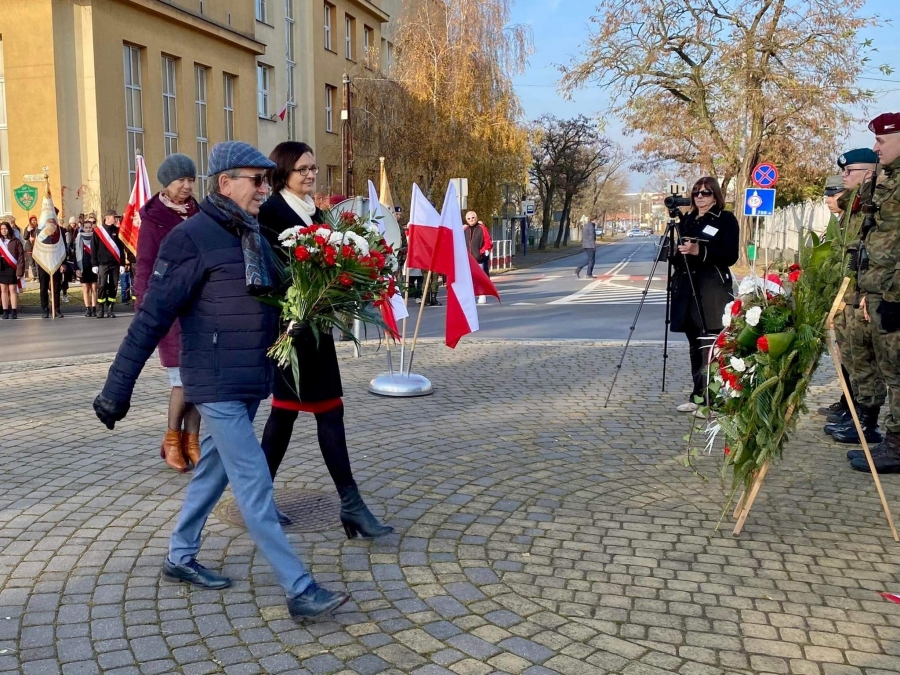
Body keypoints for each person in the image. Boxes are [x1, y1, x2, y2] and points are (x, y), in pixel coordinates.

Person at [93, 140, 349, 621]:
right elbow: (150, 316)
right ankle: (299, 588)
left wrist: (309, 304)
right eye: (257, 180)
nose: (264, 189)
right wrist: (116, 389)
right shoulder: (189, 239)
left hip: (250, 376)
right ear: (226, 182)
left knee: (213, 468)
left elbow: (274, 297)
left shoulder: (253, 234)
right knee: (253, 477)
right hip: (212, 381)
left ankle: (179, 556)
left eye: (267, 180)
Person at [257, 141, 393, 539]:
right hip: (291, 328)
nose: (311, 174)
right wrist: (292, 312)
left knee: (296, 414)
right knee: (309, 412)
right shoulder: (271, 214)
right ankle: (349, 505)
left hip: (315, 329)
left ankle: (265, 499)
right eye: (302, 169)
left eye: (313, 168)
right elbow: (270, 273)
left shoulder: (315, 213)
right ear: (283, 172)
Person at [133, 153, 202, 473]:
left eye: (190, 180)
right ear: (166, 183)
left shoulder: (199, 212)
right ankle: (173, 439)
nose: (186, 186)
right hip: (170, 307)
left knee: (200, 380)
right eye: (180, 180)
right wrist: (144, 305)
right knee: (183, 380)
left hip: (201, 306)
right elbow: (145, 263)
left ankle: (192, 441)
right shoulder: (154, 218)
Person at [819, 151, 887, 446]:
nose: (844, 177)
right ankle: (856, 415)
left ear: (869, 173)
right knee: (852, 357)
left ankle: (867, 423)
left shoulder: (879, 205)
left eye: (849, 172)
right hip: (849, 295)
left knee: (865, 361)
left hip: (864, 296)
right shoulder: (855, 208)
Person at [851, 113, 900, 472]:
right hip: (882, 290)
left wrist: (894, 296)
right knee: (890, 368)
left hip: (895, 294)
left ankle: (897, 446)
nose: (875, 147)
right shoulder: (890, 179)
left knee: (897, 372)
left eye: (882, 140)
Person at [670, 177, 739, 415]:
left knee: (710, 345)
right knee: (694, 344)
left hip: (712, 289)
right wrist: (675, 252)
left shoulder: (725, 219)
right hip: (688, 288)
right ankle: (697, 396)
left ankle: (713, 400)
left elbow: (730, 254)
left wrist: (700, 250)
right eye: (696, 192)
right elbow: (681, 256)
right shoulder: (688, 219)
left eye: (706, 193)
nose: (700, 196)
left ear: (715, 196)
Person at [92, 210, 123, 318]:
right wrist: (94, 264)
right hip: (102, 263)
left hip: (115, 263)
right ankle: (101, 308)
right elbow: (94, 249)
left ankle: (110, 308)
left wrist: (122, 264)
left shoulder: (117, 230)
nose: (116, 219)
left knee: (114, 286)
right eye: (114, 217)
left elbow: (121, 248)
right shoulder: (98, 231)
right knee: (102, 285)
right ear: (108, 217)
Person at [464, 211, 492, 305]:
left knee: (480, 278)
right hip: (467, 259)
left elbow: (488, 242)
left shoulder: (482, 228)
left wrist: (481, 252)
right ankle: (469, 296)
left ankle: (482, 295)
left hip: (479, 258)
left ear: (476, 218)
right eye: (469, 218)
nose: (471, 220)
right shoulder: (465, 229)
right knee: (468, 279)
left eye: (473, 217)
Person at [0, 220, 25, 319]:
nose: (3, 231)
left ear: (9, 229)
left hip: (12, 267)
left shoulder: (16, 241)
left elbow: (21, 257)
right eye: (2, 229)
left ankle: (14, 311)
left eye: (5, 229)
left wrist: (20, 271)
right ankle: (5, 311)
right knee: (3, 290)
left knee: (13, 289)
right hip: (2, 267)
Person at [75, 215, 99, 316]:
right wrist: (77, 268)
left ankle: (94, 308)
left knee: (94, 287)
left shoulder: (96, 237)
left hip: (93, 265)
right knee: (85, 288)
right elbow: (75, 253)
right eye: (86, 227)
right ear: (83, 228)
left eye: (90, 227)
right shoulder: (79, 237)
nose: (88, 229)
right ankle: (87, 308)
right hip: (83, 266)